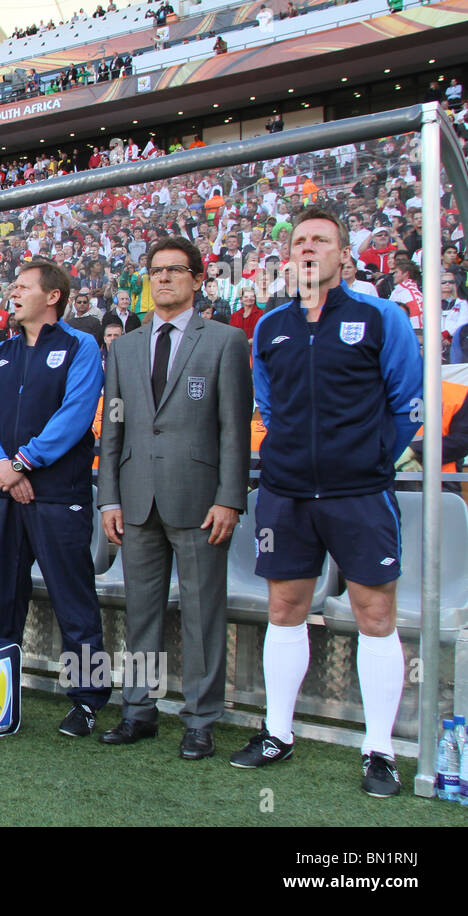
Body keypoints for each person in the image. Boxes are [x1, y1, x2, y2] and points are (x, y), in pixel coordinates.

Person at [231, 208, 422, 798]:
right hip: (286, 494)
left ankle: (380, 750)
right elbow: (269, 405)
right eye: (300, 241)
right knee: (285, 607)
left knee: (375, 615)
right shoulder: (270, 326)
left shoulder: (380, 318)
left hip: (359, 493)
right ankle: (278, 733)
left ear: (344, 255)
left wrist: (364, 462)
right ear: (289, 257)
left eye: (322, 240)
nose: (310, 248)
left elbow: (406, 404)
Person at [98, 236, 252, 760]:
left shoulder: (225, 342)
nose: (163, 278)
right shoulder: (124, 346)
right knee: (140, 611)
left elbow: (235, 429)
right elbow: (112, 433)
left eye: (175, 270)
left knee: (202, 612)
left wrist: (230, 498)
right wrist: (108, 499)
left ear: (197, 279)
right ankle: (138, 710)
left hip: (200, 499)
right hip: (137, 500)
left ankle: (201, 719)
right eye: (156, 271)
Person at [0, 259, 108, 735]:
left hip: (57, 495)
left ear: (51, 296)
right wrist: (2, 470)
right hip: (4, 492)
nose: (13, 292)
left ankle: (88, 700)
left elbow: (75, 415)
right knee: (2, 600)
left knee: (74, 600)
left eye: (23, 286)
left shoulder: (80, 346)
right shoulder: (0, 352)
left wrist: (23, 463)